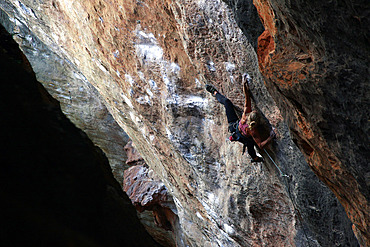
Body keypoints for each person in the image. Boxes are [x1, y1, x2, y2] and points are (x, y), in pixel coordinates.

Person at [206, 74, 276, 162]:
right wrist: (271, 137)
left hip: (235, 126)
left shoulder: (246, 116)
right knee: (250, 144)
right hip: (239, 131)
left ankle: (216, 93)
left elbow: (247, 99)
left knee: (227, 103)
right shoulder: (253, 131)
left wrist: (244, 85)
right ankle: (214, 92)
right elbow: (260, 145)